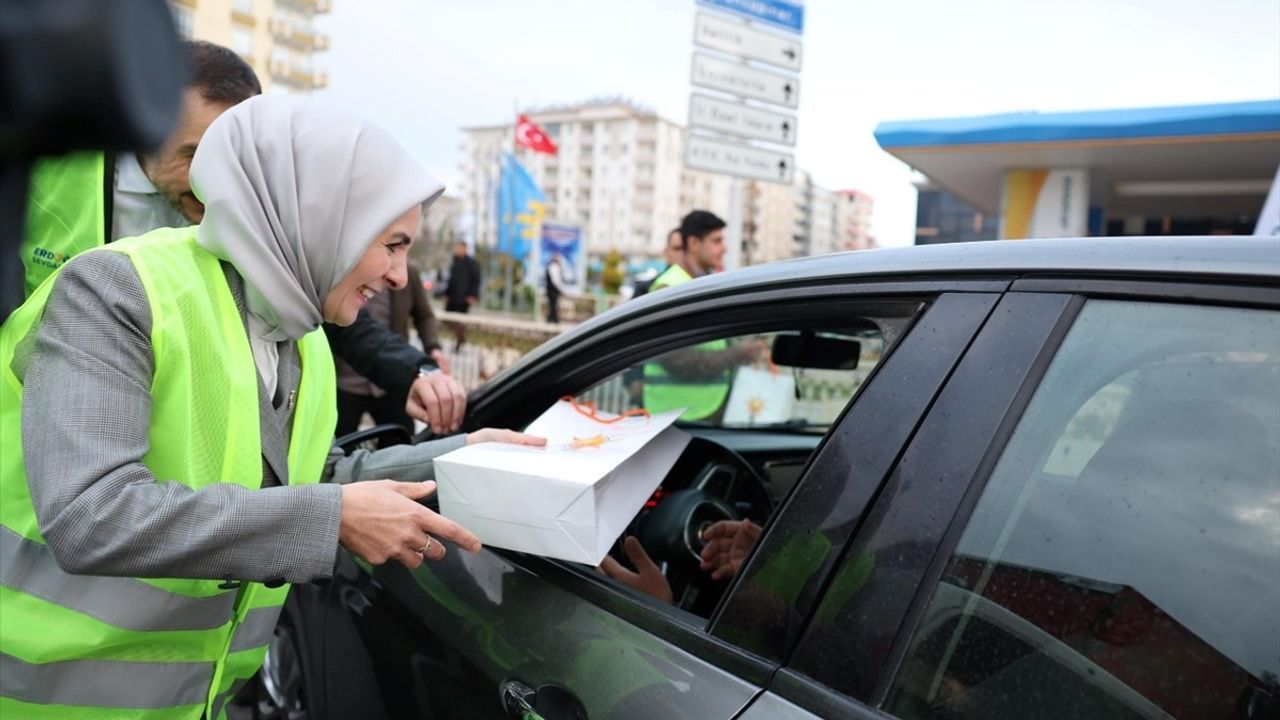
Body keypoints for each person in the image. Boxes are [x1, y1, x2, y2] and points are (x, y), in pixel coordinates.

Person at [0, 95, 545, 718]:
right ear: (323, 217)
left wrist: (460, 457)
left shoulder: (304, 339)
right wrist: (329, 520)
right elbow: (91, 513)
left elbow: (307, 478)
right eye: (392, 244)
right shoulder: (117, 290)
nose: (400, 276)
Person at [16, 40, 466, 436]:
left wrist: (411, 370)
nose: (214, 179)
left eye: (234, 161)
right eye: (194, 154)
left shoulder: (247, 207)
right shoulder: (42, 175)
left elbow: (315, 292)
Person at [642, 210, 762, 421]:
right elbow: (676, 359)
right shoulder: (669, 287)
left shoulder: (705, 284)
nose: (724, 248)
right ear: (694, 243)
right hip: (675, 416)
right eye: (716, 241)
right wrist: (736, 355)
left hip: (699, 411)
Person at [335, 261, 449, 436]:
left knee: (402, 438)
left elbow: (424, 316)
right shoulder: (346, 266)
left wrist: (433, 348)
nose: (399, 278)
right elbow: (355, 331)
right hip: (346, 381)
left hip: (392, 379)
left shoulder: (408, 273)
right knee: (339, 442)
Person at [440, 240, 481, 348]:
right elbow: (451, 279)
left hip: (464, 299)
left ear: (465, 249)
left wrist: (473, 295)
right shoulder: (455, 262)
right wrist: (447, 293)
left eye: (460, 248)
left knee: (460, 321)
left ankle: (459, 341)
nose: (458, 250)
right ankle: (461, 337)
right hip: (453, 297)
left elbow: (476, 280)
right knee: (447, 319)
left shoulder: (472, 264)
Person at [632, 227, 683, 299]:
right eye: (677, 249)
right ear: (666, 251)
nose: (682, 254)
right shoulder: (644, 289)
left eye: (685, 249)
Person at [544, 253, 579, 324]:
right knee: (553, 304)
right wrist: (561, 290)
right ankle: (553, 319)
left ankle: (552, 319)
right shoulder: (553, 267)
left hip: (551, 289)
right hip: (552, 290)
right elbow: (555, 281)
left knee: (553, 304)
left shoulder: (552, 267)